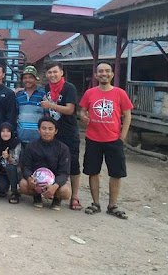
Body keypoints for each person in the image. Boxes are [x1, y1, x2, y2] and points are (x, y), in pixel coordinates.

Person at [79, 62, 133, 220]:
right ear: (96, 75)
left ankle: (112, 205)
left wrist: (122, 136)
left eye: (107, 71)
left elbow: (127, 115)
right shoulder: (90, 93)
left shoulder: (120, 93)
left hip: (113, 139)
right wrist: (83, 116)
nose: (104, 73)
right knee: (92, 171)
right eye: (101, 71)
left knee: (116, 173)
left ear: (112, 74)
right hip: (93, 138)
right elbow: (82, 110)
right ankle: (95, 203)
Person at [41, 61, 82, 210]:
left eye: (55, 72)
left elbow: (70, 110)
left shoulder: (69, 88)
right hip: (52, 132)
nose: (52, 75)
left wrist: (50, 105)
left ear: (61, 73)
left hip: (69, 132)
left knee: (73, 165)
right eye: (49, 72)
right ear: (46, 74)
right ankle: (53, 194)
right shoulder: (47, 88)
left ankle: (75, 196)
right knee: (53, 163)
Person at [19, 117, 72, 210]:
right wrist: (29, 179)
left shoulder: (63, 148)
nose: (47, 132)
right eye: (43, 128)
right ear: (39, 130)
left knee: (66, 191)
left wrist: (54, 186)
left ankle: (56, 200)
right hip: (36, 182)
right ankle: (37, 197)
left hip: (54, 183)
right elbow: (26, 167)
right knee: (23, 184)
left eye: (50, 129)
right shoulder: (31, 146)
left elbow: (64, 172)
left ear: (56, 131)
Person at [16, 66, 46, 145]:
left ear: (35, 79)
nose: (27, 80)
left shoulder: (43, 95)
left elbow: (47, 116)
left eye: (30, 77)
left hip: (39, 141)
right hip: (21, 139)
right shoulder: (18, 95)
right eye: (25, 78)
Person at [0, 122, 22, 203]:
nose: (5, 134)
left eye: (8, 131)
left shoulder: (16, 143)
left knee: (10, 167)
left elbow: (17, 162)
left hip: (16, 172)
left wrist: (8, 158)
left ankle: (14, 192)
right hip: (2, 172)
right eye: (3, 131)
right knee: (0, 188)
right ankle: (4, 187)